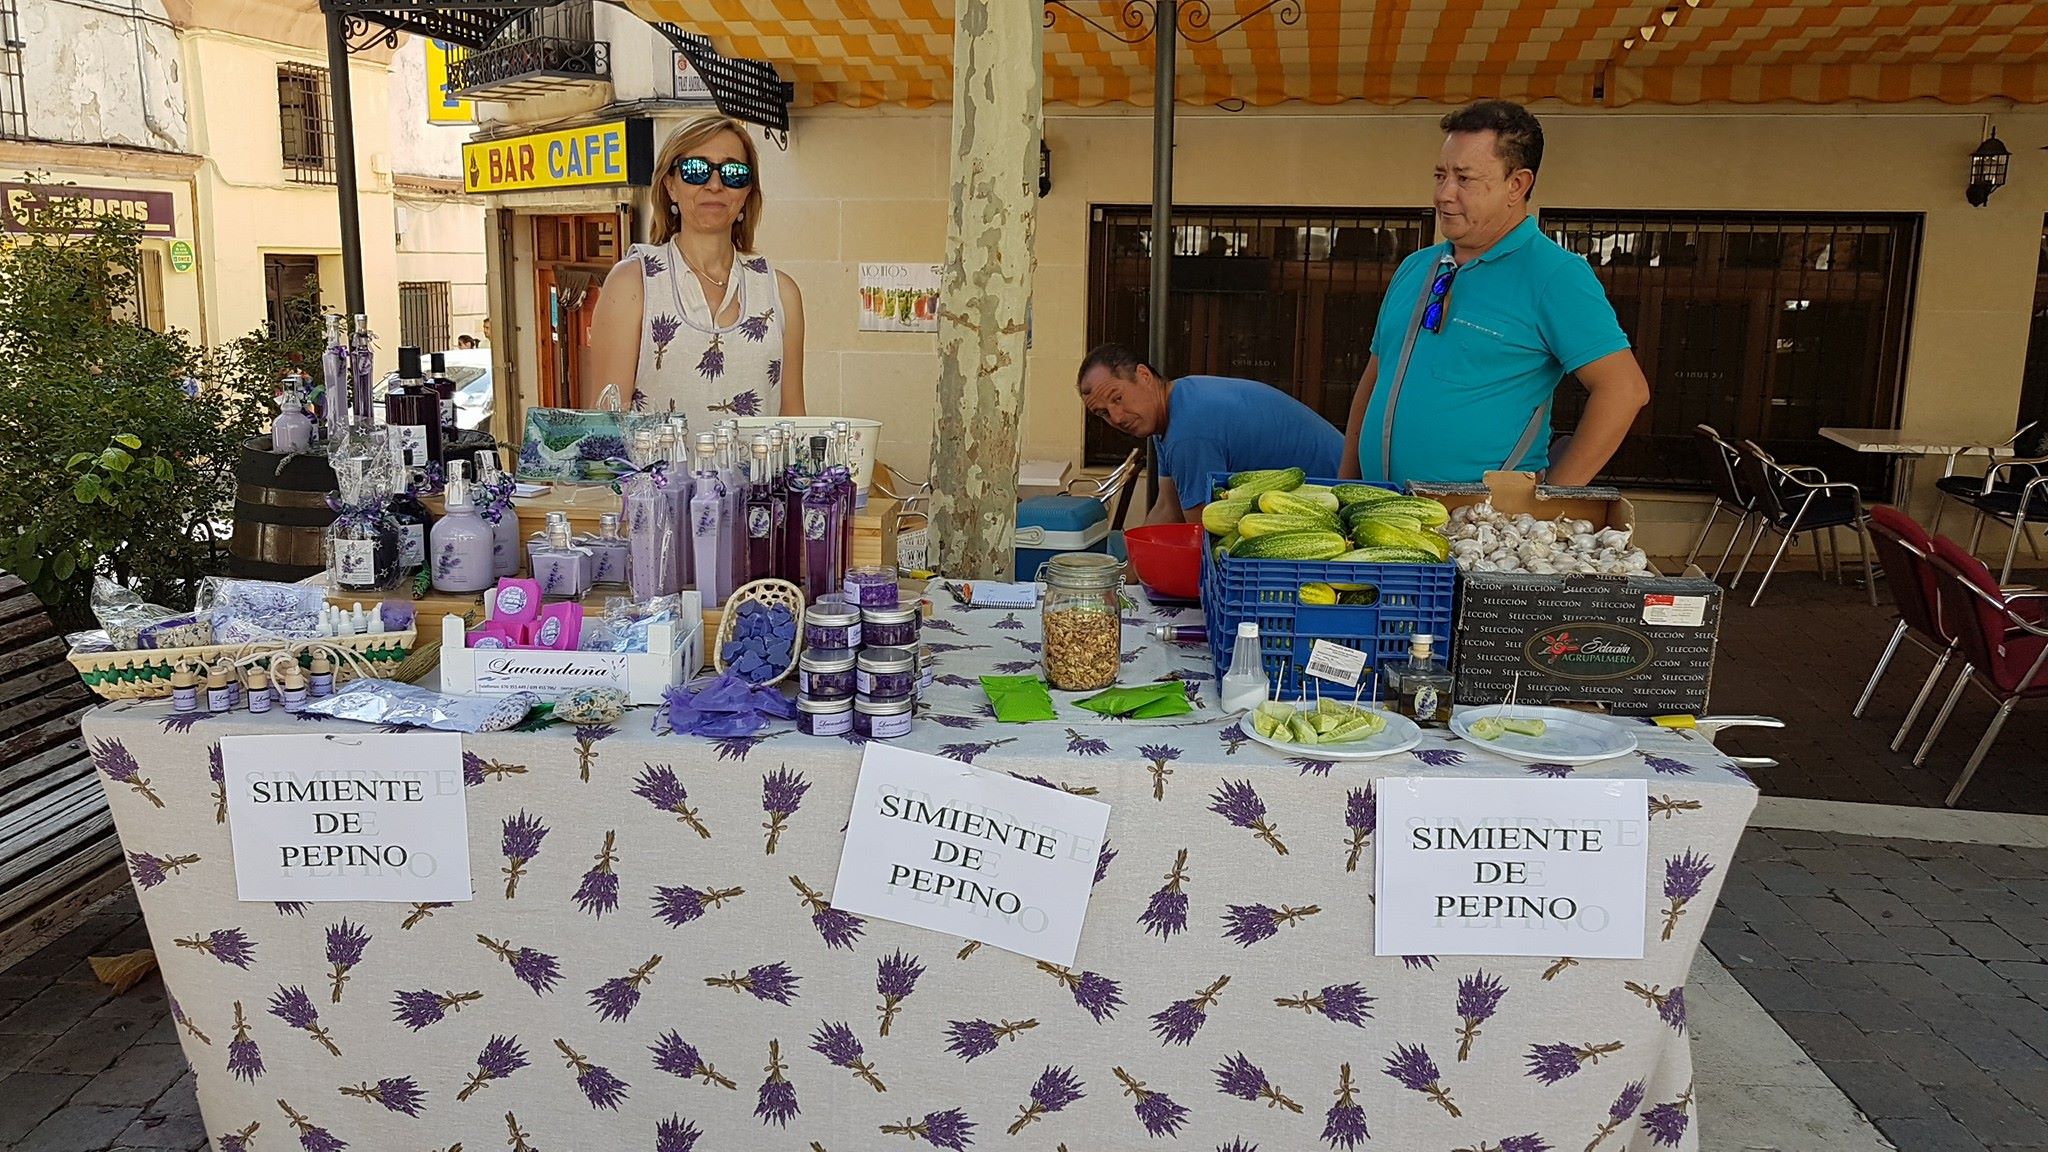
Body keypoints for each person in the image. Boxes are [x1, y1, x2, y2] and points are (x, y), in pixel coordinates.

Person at [1340, 100, 1649, 487]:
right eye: (1440, 175)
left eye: (1464, 179)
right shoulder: (1416, 267)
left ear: (1516, 185)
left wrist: (1548, 502)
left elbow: (1624, 390)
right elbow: (1374, 380)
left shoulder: (1554, 274)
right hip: (1379, 507)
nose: (1444, 194)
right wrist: (1346, 485)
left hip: (1478, 518)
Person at [587, 113, 806, 422]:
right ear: (670, 185)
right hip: (655, 457)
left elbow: (793, 419)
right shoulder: (633, 283)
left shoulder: (780, 293)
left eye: (733, 173)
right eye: (695, 170)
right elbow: (607, 421)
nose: (715, 184)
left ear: (747, 192)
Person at [1077, 343, 1342, 525]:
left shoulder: (1188, 432)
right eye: (1103, 413)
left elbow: (1201, 530)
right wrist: (1122, 576)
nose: (1117, 417)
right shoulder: (1176, 404)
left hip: (1341, 501)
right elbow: (1168, 509)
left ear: (1144, 375)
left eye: (1118, 398)